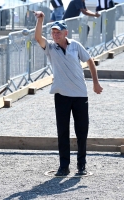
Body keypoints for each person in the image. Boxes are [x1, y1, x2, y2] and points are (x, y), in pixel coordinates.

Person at [34, 11, 103, 176]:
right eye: (53, 32)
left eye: (58, 32)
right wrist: (40, 20)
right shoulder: (50, 47)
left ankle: (82, 166)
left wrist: (95, 82)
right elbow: (38, 38)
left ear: (66, 33)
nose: (55, 35)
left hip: (80, 94)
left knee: (82, 131)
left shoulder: (75, 45)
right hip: (62, 95)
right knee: (63, 132)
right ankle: (64, 166)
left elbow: (90, 61)